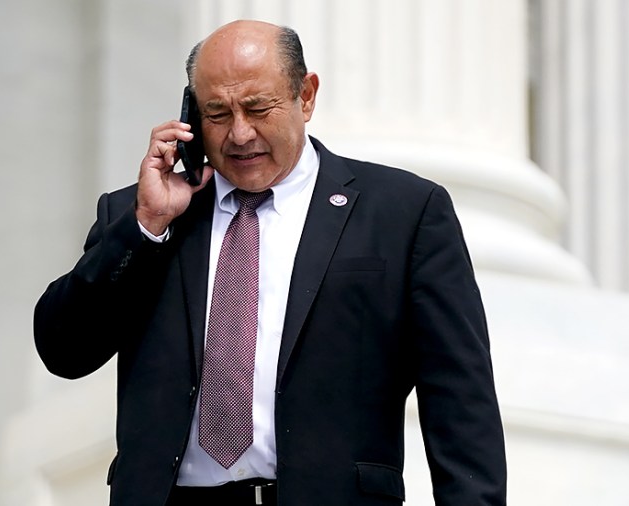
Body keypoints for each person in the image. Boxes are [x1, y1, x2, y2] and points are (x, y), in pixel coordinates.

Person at [34, 19, 507, 506]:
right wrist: (147, 226)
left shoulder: (404, 213)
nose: (240, 134)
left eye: (258, 108)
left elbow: (460, 404)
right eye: (217, 114)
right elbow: (63, 350)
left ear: (306, 95)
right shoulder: (143, 214)